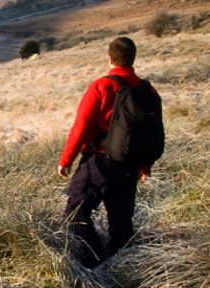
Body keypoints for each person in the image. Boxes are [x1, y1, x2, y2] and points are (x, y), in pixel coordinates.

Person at [57, 36, 159, 268]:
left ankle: (96, 266)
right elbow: (150, 131)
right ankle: (127, 270)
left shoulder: (102, 86)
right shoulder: (148, 90)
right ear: (132, 58)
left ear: (110, 58)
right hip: (131, 165)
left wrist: (66, 160)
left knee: (75, 212)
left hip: (101, 162)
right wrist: (144, 166)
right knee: (121, 223)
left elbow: (81, 127)